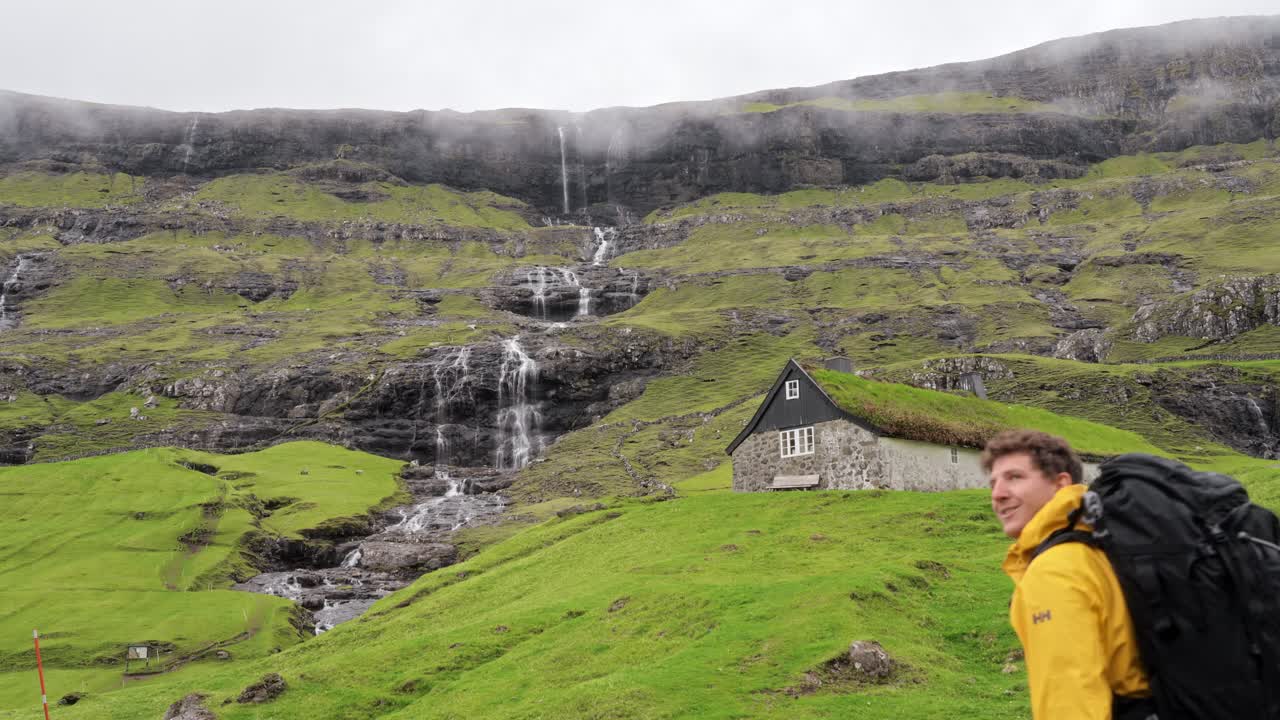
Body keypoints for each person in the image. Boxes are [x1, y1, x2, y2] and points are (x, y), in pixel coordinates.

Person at [983, 429, 1151, 720]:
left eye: (1014, 477)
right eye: (993, 482)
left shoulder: (1055, 570)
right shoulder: (1100, 546)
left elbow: (1070, 701)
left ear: (1060, 483)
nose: (997, 494)